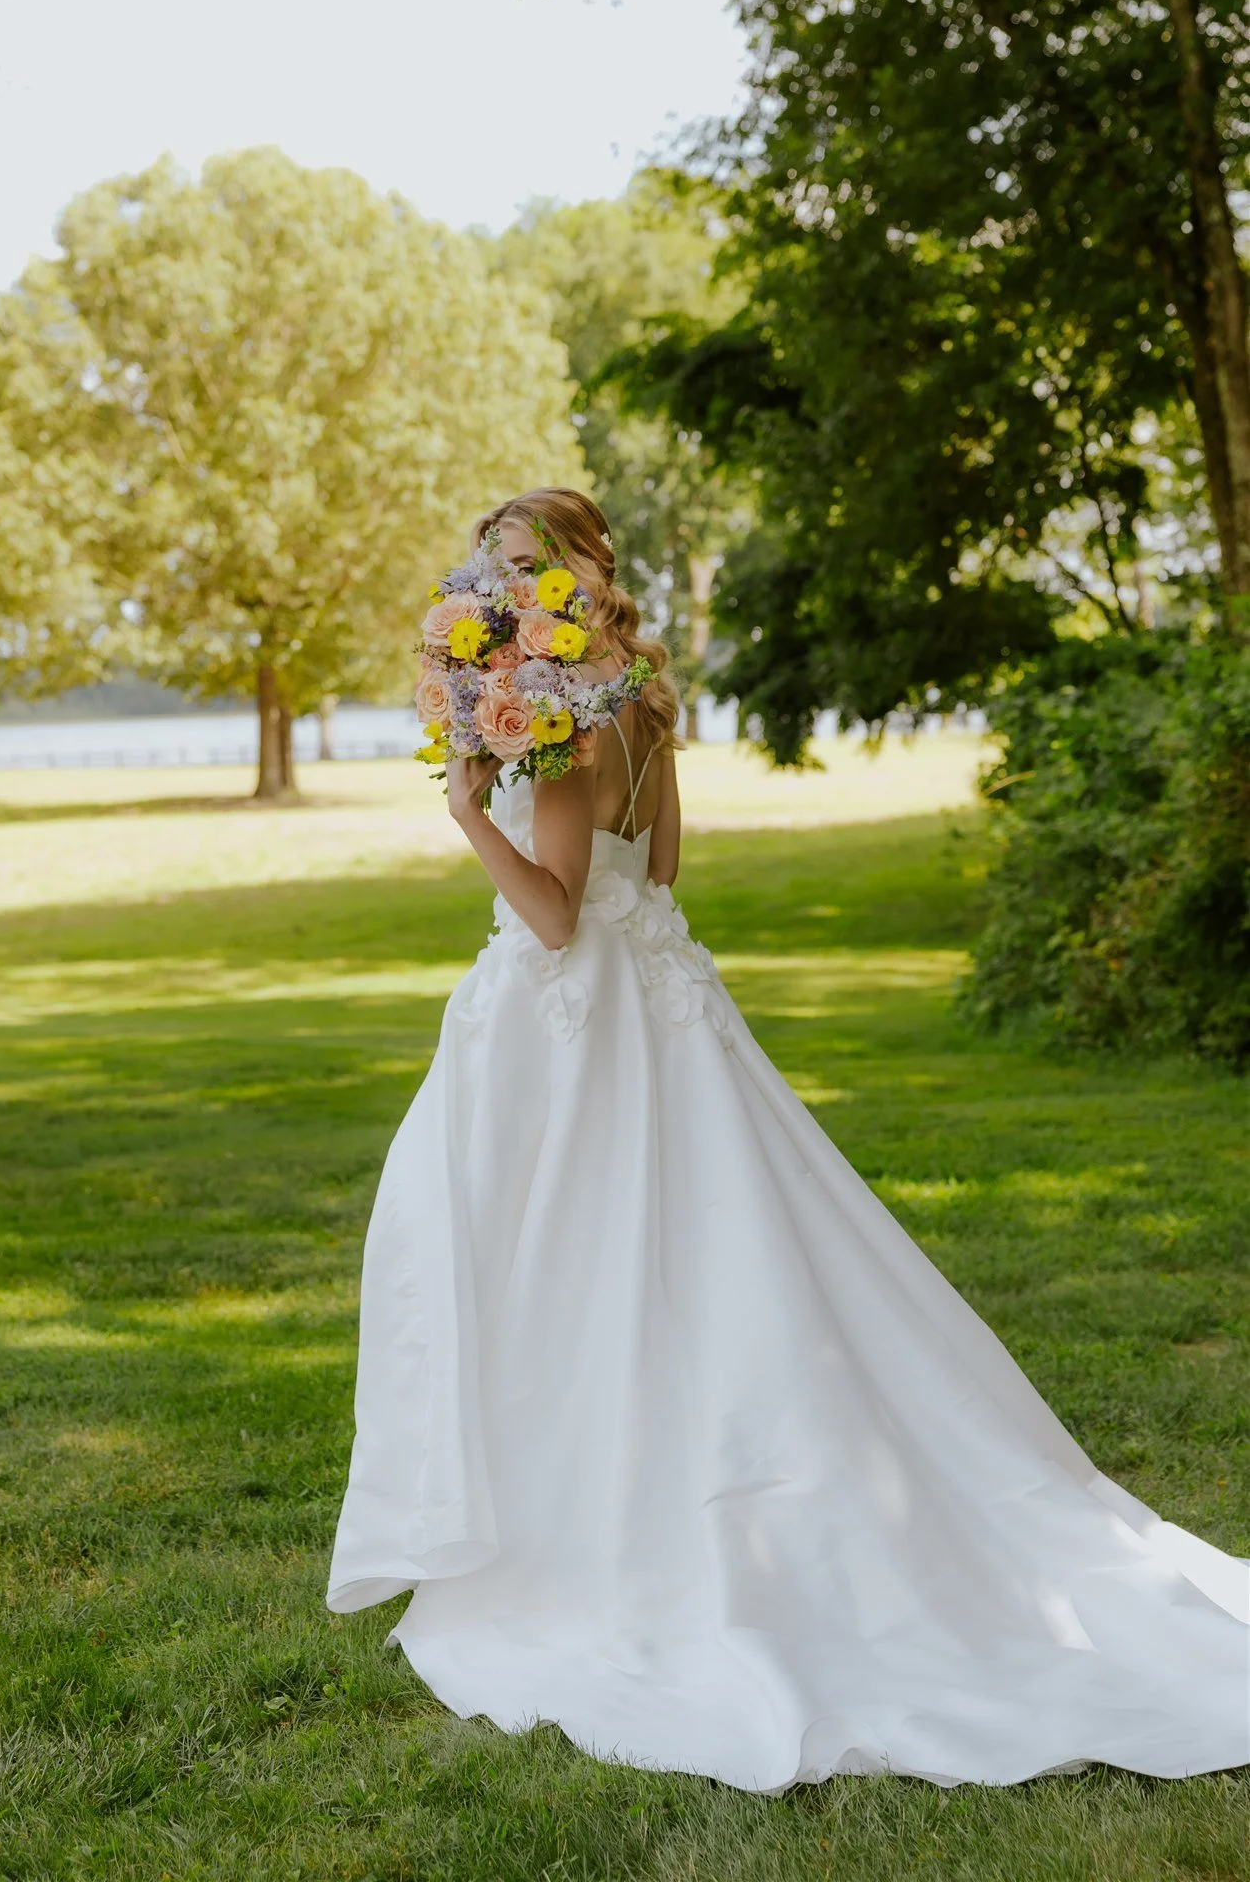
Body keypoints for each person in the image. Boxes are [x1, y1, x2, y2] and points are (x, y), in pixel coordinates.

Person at [327, 486, 1249, 1791]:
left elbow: (552, 917)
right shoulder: (641, 697)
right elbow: (668, 874)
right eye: (497, 573)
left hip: (574, 1021)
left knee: (568, 1268)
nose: (505, 591)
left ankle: (581, 1537)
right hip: (659, 1002)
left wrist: (472, 810)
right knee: (672, 1259)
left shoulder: (562, 716)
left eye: (523, 570)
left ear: (575, 574)